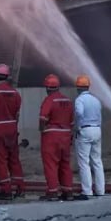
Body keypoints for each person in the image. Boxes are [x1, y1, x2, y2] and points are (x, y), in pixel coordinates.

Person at [0, 63, 25, 200]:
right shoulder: (15, 93)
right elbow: (17, 114)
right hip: (12, 129)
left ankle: (6, 190)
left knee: (0, 160)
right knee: (14, 159)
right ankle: (20, 188)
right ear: (7, 76)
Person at [38, 74, 74, 202]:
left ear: (47, 87)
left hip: (51, 136)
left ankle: (52, 192)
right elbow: (72, 121)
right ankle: (68, 191)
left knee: (51, 164)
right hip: (65, 135)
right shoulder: (68, 101)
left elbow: (43, 118)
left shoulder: (49, 100)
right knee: (65, 164)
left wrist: (42, 129)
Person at [72, 75, 104, 199]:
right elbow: (100, 116)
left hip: (85, 130)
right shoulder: (96, 100)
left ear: (78, 87)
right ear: (88, 86)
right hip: (97, 129)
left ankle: (87, 191)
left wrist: (78, 126)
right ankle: (101, 190)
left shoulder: (79, 100)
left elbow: (79, 113)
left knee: (84, 162)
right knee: (97, 161)